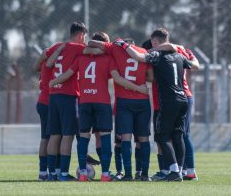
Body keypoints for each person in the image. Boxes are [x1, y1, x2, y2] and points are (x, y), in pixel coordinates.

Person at [49, 32, 148, 181]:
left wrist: (54, 82)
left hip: (85, 101)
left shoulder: (80, 58)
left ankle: (82, 173)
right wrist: (138, 88)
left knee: (83, 137)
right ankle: (105, 174)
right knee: (104, 136)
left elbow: (68, 74)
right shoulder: (108, 59)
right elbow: (116, 77)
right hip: (102, 102)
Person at [114, 28, 198, 181]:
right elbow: (195, 65)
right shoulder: (179, 55)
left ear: (154, 41)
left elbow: (139, 56)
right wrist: (190, 54)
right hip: (183, 99)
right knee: (178, 136)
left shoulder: (157, 55)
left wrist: (123, 45)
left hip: (169, 101)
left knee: (161, 137)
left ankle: (173, 170)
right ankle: (179, 170)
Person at [87, 37, 153, 181]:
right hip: (142, 101)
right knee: (144, 139)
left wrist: (101, 49)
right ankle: (144, 174)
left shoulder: (115, 48)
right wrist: (140, 82)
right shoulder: (143, 52)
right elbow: (151, 77)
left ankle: (127, 174)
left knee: (125, 138)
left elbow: (91, 42)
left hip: (124, 101)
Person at [44, 22, 88, 181]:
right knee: (68, 136)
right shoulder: (78, 47)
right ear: (81, 35)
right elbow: (96, 50)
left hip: (53, 95)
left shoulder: (59, 46)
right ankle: (63, 174)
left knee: (55, 135)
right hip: (68, 96)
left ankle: (51, 174)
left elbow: (48, 64)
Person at [33, 43, 65, 181]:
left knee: (45, 138)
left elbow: (36, 67)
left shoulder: (45, 62)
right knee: (54, 137)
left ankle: (43, 172)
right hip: (48, 103)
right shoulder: (54, 65)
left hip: (42, 102)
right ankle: (53, 171)